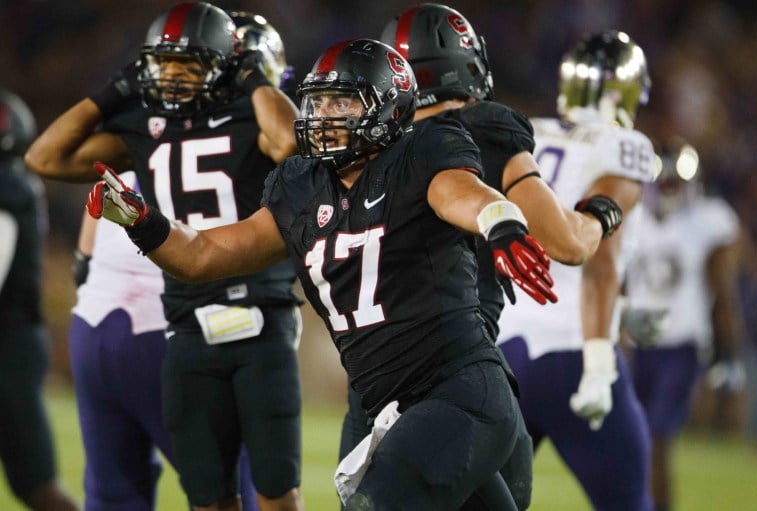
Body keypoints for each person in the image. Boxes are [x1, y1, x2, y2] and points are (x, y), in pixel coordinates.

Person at [85, 37, 558, 511]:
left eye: (343, 101)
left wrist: (501, 225)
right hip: (389, 407)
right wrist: (142, 221)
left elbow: (467, 195)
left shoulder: (423, 154)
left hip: (460, 394)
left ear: (389, 109)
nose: (324, 115)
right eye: (318, 101)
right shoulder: (300, 188)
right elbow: (204, 256)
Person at [340, 5, 623, 509]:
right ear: (466, 66)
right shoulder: (485, 128)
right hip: (461, 382)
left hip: (371, 385)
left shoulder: (368, 142)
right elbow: (566, 243)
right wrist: (601, 213)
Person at [24, 3, 303, 510]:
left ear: (222, 62)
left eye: (187, 64)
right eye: (164, 64)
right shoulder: (147, 123)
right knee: (207, 490)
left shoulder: (247, 112)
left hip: (254, 311)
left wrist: (247, 81)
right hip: (181, 316)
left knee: (270, 484)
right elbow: (43, 157)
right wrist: (116, 90)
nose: (171, 78)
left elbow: (290, 143)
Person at [495, 30, 656, 510]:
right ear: (626, 91)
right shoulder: (625, 146)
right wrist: (599, 362)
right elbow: (599, 257)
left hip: (502, 351)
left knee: (482, 501)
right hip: (572, 353)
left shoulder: (525, 131)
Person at [69, 176, 259, 511]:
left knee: (114, 495)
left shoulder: (132, 137)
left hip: (92, 320)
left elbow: (83, 258)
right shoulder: (232, 140)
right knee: (228, 487)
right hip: (165, 327)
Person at [623, 138, 744, 511]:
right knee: (636, 438)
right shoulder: (632, 218)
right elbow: (615, 283)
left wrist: (729, 352)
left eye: (676, 181)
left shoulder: (708, 221)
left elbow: (722, 291)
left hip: (681, 346)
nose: (670, 189)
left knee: (657, 437)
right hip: (639, 344)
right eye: (665, 181)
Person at [0, 88, 81, 511]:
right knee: (34, 485)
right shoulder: (17, 182)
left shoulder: (8, 187)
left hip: (7, 349)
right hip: (16, 342)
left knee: (36, 484)